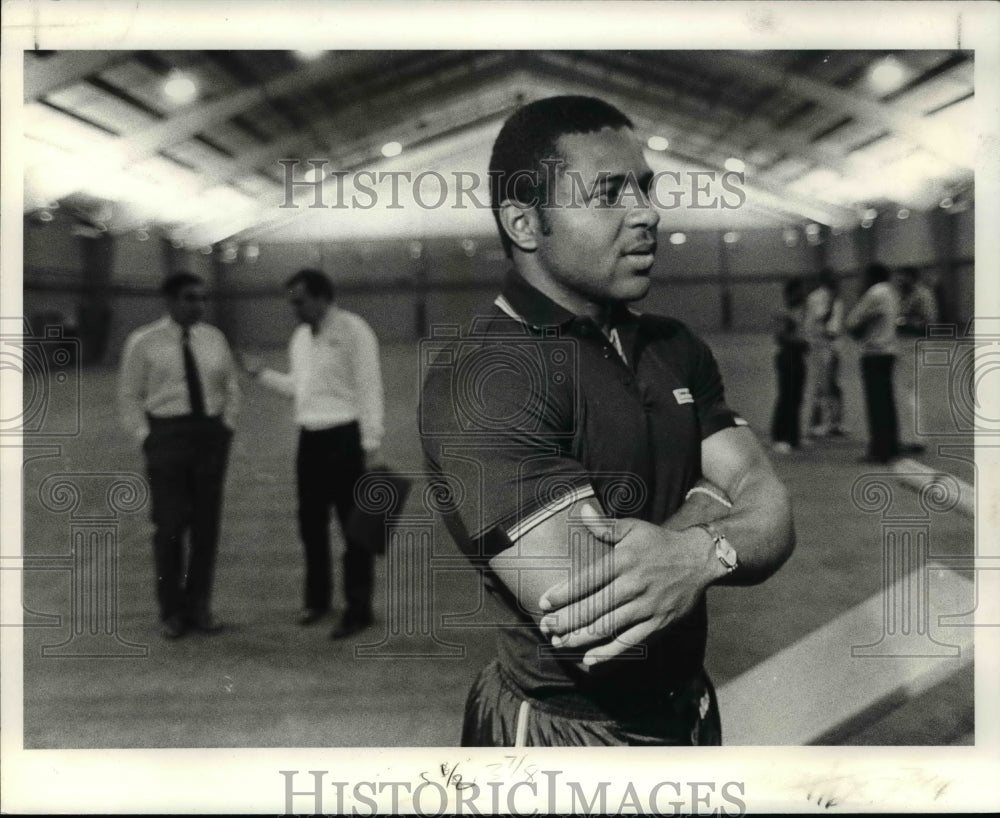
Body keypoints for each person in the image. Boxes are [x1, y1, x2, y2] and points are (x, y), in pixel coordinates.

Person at [420, 96, 795, 746]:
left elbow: (776, 514)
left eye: (645, 187)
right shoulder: (486, 376)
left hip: (689, 710)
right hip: (565, 736)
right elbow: (596, 610)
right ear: (525, 222)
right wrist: (714, 510)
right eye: (608, 193)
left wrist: (691, 554)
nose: (647, 213)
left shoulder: (675, 346)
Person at [246, 269, 384, 639]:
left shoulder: (354, 331)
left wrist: (370, 443)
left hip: (346, 438)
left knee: (354, 530)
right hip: (310, 439)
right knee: (311, 526)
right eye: (291, 301)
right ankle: (317, 600)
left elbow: (369, 386)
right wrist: (262, 375)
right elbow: (299, 389)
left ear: (323, 297)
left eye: (299, 300)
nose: (294, 308)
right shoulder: (300, 338)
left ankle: (359, 609)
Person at [118, 271, 240, 639]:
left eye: (202, 298)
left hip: (209, 436)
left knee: (206, 528)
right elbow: (129, 396)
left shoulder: (214, 338)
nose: (198, 305)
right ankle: (171, 611)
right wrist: (145, 438)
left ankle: (199, 606)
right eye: (190, 298)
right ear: (170, 301)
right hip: (167, 437)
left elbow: (230, 386)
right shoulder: (143, 342)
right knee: (169, 528)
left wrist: (227, 425)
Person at [845, 262, 902, 463]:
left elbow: (851, 322)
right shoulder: (892, 293)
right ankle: (892, 445)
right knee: (887, 403)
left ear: (871, 276)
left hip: (873, 353)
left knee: (876, 405)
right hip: (889, 351)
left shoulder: (874, 293)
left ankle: (879, 450)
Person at [803, 268, 846, 438]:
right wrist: (831, 303)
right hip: (821, 345)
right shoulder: (817, 297)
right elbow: (822, 320)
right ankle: (818, 423)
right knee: (822, 385)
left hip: (834, 345)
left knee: (835, 386)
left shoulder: (836, 299)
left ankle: (836, 423)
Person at [770, 276, 809, 454]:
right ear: (791, 293)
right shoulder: (783, 311)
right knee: (786, 397)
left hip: (799, 356)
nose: (803, 295)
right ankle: (780, 437)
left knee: (797, 397)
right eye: (800, 291)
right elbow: (780, 336)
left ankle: (794, 436)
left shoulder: (802, 311)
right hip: (787, 357)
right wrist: (800, 342)